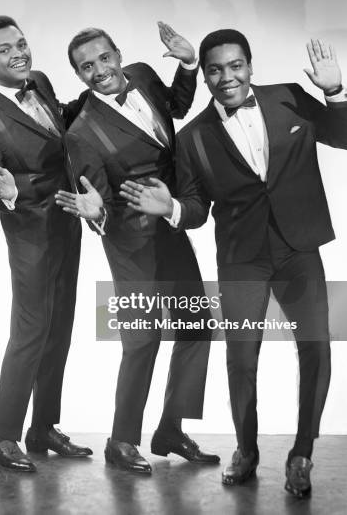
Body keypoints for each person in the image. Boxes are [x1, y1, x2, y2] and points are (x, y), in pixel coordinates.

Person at [120, 30, 347, 496]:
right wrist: (172, 210)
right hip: (242, 258)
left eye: (235, 65)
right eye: (216, 69)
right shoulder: (193, 137)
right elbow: (197, 208)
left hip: (299, 246)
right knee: (241, 357)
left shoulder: (290, 99)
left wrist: (335, 92)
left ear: (249, 65)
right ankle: (246, 449)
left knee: (316, 348)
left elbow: (344, 137)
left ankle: (302, 452)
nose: (228, 77)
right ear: (204, 75)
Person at [55, 24, 217, 474]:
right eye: (86, 67)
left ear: (119, 55)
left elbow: (178, 107)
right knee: (142, 340)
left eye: (104, 59)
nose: (99, 71)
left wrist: (189, 64)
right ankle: (121, 441)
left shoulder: (144, 75)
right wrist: (94, 213)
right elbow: (99, 202)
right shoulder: (82, 133)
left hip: (171, 224)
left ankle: (170, 429)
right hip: (130, 244)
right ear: (79, 74)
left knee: (197, 328)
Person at [0, 15, 91, 473]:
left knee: (60, 330)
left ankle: (43, 428)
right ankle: (1, 437)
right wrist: (9, 191)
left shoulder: (39, 81)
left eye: (21, 43)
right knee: (30, 334)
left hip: (68, 225)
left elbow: (58, 132)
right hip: (30, 238)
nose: (19, 53)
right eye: (4, 49)